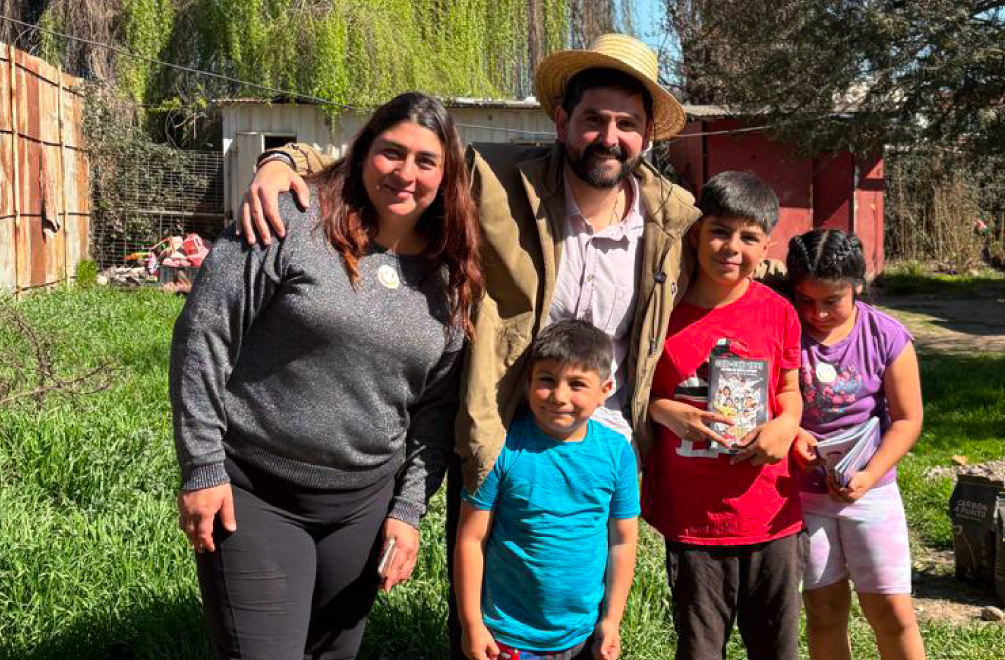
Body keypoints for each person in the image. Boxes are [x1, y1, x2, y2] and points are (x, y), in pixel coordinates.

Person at [236, 34, 700, 658]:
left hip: (605, 447)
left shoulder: (676, 223)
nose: (609, 137)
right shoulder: (499, 183)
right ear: (563, 119)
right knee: (482, 610)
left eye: (627, 124)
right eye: (594, 119)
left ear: (648, 135)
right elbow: (395, 158)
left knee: (584, 604)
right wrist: (284, 159)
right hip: (502, 433)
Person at [170, 92, 481, 660]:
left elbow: (434, 409)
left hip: (362, 508)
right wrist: (202, 465)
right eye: (392, 152)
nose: (405, 174)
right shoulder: (291, 218)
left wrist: (408, 511)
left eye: (425, 161)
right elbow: (203, 334)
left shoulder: (450, 276)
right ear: (363, 153)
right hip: (255, 491)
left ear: (447, 175)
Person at [642, 171, 808, 660]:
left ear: (765, 246)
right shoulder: (659, 314)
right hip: (694, 520)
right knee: (700, 649)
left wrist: (786, 425)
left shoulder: (778, 312)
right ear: (696, 234)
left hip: (770, 514)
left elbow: (790, 388)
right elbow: (633, 393)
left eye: (748, 237)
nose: (731, 247)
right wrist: (665, 411)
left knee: (777, 648)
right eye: (719, 230)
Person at [455, 320, 639, 660]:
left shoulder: (617, 454)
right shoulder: (503, 448)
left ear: (606, 389)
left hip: (583, 637)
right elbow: (470, 538)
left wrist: (611, 621)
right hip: (507, 638)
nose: (559, 396)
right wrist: (471, 625)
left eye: (577, 384)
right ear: (528, 382)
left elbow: (623, 540)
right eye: (547, 380)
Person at [786, 229, 926, 660]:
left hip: (872, 492)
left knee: (891, 611)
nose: (818, 314)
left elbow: (907, 418)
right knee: (824, 612)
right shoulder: (785, 328)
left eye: (832, 301)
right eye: (806, 301)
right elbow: (774, 401)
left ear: (857, 286)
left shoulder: (887, 335)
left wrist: (869, 475)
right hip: (805, 498)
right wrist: (791, 433)